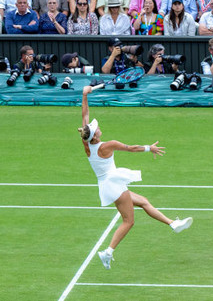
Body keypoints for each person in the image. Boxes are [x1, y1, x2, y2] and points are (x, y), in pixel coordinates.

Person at [78, 83, 191, 270]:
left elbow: (84, 115)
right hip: (113, 184)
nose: (98, 128)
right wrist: (149, 148)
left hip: (108, 183)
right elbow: (131, 148)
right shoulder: (107, 145)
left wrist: (84, 95)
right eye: (96, 128)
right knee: (128, 221)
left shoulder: (87, 142)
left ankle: (173, 224)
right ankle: (108, 252)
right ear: (96, 136)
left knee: (144, 202)